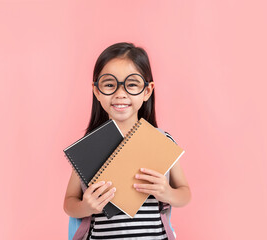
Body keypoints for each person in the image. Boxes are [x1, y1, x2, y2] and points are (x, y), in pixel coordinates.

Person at [64, 42, 191, 239]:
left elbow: (184, 194)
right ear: (97, 91)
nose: (120, 93)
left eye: (132, 84)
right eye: (109, 84)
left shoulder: (161, 140)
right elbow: (69, 203)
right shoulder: (89, 147)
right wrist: (85, 207)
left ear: (147, 91)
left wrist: (166, 193)